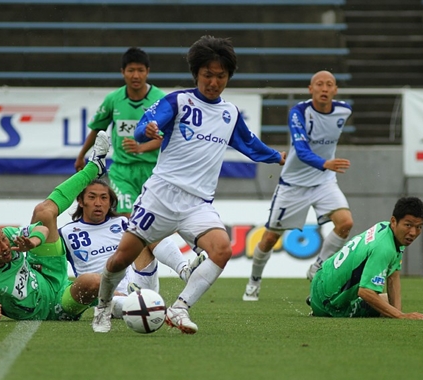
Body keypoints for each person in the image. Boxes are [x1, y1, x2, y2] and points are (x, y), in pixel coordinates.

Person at [92, 35, 287, 334]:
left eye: (221, 76)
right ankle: (103, 307)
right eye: (208, 75)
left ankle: (179, 309)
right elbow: (143, 127)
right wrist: (147, 131)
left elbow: (249, 144)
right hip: (161, 196)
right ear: (196, 74)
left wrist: (276, 156)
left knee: (222, 250)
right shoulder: (179, 101)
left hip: (198, 204)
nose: (214, 82)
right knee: (121, 258)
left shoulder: (230, 113)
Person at [0, 131, 111, 321]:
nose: (4, 247)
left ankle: (94, 167)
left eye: (2, 239)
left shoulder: (8, 237)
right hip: (59, 306)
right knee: (93, 282)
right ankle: (123, 302)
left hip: (45, 269)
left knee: (43, 211)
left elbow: (42, 228)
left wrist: (32, 243)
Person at [242, 70, 354, 301]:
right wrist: (325, 163)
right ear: (310, 89)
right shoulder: (299, 112)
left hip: (324, 181)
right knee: (270, 238)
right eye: (319, 84)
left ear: (335, 90)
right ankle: (254, 281)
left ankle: (318, 266)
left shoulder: (344, 110)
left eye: (329, 84)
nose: (324, 88)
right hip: (294, 184)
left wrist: (325, 167)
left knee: (345, 223)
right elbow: (301, 151)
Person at [59, 179, 205, 318]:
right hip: (106, 296)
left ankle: (184, 271)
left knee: (148, 231)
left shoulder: (122, 222)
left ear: (110, 202)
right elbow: (54, 265)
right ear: (81, 201)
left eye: (104, 198)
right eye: (92, 197)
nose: (98, 203)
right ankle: (150, 307)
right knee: (113, 295)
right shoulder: (66, 232)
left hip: (137, 286)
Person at [75, 47, 166, 218]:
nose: (136, 75)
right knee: (125, 215)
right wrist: (81, 156)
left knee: (153, 219)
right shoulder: (113, 99)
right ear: (122, 72)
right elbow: (97, 128)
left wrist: (140, 148)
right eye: (131, 70)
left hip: (152, 169)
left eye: (140, 70)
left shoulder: (160, 100)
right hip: (122, 170)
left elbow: (164, 137)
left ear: (147, 71)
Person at [307, 197, 423, 320]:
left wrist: (398, 313)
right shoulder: (384, 248)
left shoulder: (386, 229)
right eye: (408, 225)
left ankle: (316, 298)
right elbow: (365, 291)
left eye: (419, 227)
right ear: (393, 221)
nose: (413, 232)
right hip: (330, 305)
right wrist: (400, 315)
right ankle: (321, 304)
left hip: (320, 279)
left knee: (388, 303)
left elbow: (393, 276)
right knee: (382, 303)